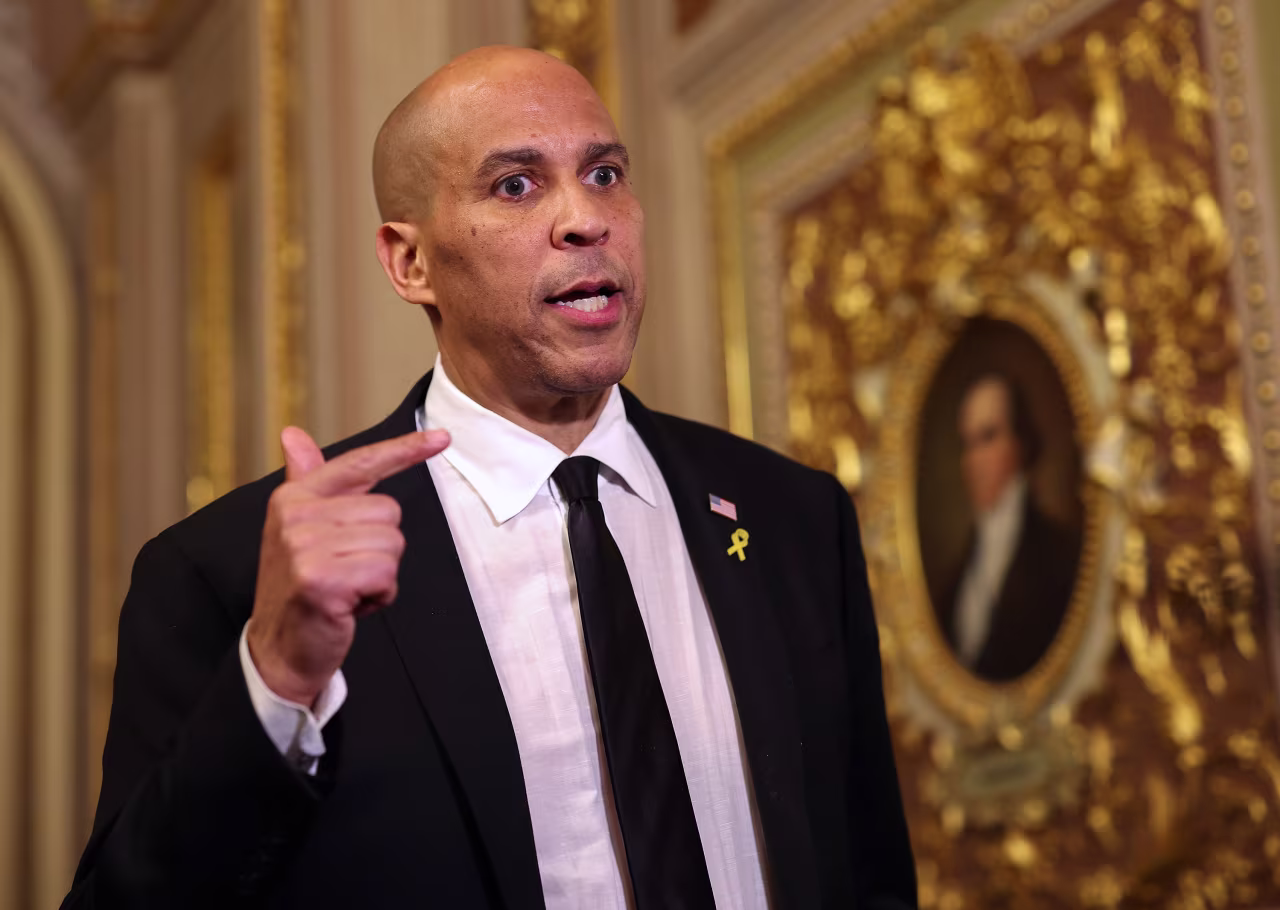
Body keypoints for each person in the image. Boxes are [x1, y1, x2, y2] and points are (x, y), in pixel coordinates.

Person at [63, 46, 916, 909]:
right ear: (410, 263)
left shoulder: (792, 518)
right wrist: (277, 681)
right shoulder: (230, 572)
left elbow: (869, 867)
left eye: (606, 173)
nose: (587, 219)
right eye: (516, 185)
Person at [932, 374, 1080, 682]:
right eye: (967, 443)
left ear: (1020, 442)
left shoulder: (1060, 556)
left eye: (988, 437)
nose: (974, 460)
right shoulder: (957, 574)